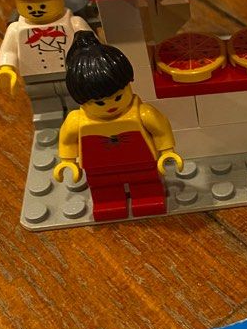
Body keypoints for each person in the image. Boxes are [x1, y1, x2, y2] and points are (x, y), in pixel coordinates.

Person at [53, 32, 183, 222]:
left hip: (141, 163)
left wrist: (167, 151)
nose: (110, 105)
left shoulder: (143, 113)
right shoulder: (76, 121)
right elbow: (67, 140)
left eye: (118, 97)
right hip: (98, 169)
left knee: (146, 184)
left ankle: (148, 198)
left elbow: (160, 130)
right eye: (99, 102)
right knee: (104, 189)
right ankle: (108, 204)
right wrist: (67, 161)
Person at [0, 0, 93, 124]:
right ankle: (46, 127)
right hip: (35, 77)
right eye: (29, 6)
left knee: (77, 100)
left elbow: (91, 45)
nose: (36, 10)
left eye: (43, 4)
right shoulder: (16, 29)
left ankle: (80, 122)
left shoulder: (74, 23)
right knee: (44, 105)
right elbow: (9, 50)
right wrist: (6, 68)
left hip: (72, 73)